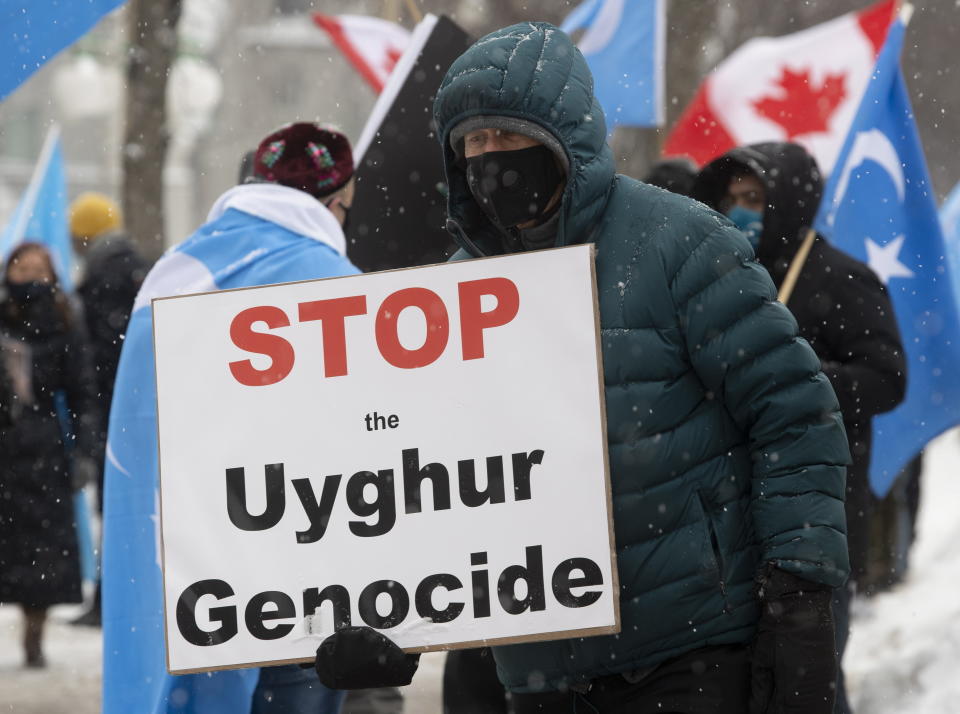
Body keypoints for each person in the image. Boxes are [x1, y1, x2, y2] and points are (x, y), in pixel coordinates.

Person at [313, 23, 851, 714]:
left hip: (694, 649)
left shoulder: (679, 243)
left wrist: (800, 595)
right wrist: (386, 616)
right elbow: (425, 481)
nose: (489, 159)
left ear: (563, 136)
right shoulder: (442, 302)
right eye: (471, 145)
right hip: (544, 675)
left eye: (507, 137)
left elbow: (793, 414)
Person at [102, 123, 354, 713]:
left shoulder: (176, 270)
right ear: (333, 201)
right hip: (309, 563)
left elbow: (141, 425)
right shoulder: (338, 284)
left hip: (195, 566)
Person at [693, 141, 907, 714]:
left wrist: (800, 379)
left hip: (819, 518)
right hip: (734, 522)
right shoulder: (726, 280)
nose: (741, 211)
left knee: (809, 684)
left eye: (755, 198)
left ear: (788, 201)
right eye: (731, 199)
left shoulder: (840, 278)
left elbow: (887, 378)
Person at [0, 242, 99, 667]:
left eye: (38, 268)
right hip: (4, 447)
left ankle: (34, 633)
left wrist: (84, 449)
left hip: (43, 450)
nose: (28, 274)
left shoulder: (62, 321)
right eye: (22, 266)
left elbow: (81, 390)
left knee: (40, 553)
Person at [67, 191, 149, 628]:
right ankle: (112, 598)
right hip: (122, 404)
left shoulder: (106, 271)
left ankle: (110, 601)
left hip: (114, 407)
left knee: (116, 506)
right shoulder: (128, 265)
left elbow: (104, 349)